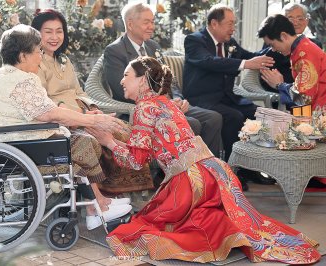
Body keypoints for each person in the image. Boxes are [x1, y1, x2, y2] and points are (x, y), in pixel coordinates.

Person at [87, 56, 320, 264]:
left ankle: (225, 233)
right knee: (224, 220)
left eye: (126, 75)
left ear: (143, 81)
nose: (121, 81)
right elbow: (145, 142)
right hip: (215, 172)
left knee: (145, 227)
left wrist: (108, 141)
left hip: (190, 183)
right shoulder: (164, 102)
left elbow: (137, 161)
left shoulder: (144, 109)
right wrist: (112, 128)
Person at [0, 24, 132, 230]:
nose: (41, 57)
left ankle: (96, 205)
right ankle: (96, 207)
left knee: (83, 139)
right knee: (83, 142)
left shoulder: (13, 77)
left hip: (21, 141)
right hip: (19, 146)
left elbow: (48, 110)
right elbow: (49, 113)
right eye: (37, 52)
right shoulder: (20, 81)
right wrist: (92, 121)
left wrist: (85, 117)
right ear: (23, 56)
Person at [31, 9, 154, 196]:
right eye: (48, 32)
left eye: (59, 31)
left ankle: (132, 192)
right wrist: (84, 117)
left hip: (84, 114)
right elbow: (46, 102)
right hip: (65, 120)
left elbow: (79, 91)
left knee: (127, 130)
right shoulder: (35, 62)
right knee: (111, 135)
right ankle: (108, 194)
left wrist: (94, 109)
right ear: (36, 33)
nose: (54, 37)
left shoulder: (64, 60)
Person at [103, 2, 223, 158]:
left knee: (213, 118)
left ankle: (207, 167)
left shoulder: (153, 46)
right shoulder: (115, 51)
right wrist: (163, 105)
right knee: (192, 123)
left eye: (153, 21)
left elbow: (169, 79)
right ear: (130, 24)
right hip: (144, 109)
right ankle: (177, 170)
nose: (152, 26)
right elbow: (121, 90)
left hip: (169, 104)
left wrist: (178, 99)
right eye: (147, 22)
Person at [182, 4, 276, 190]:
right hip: (202, 99)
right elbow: (209, 62)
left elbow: (250, 56)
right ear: (214, 23)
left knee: (257, 113)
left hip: (226, 97)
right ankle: (229, 170)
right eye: (230, 23)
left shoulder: (229, 43)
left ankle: (249, 168)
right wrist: (246, 63)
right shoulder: (194, 40)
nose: (233, 28)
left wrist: (273, 46)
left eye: (235, 23)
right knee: (234, 116)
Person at [258, 14, 326, 109]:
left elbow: (304, 98)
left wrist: (280, 85)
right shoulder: (301, 48)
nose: (273, 50)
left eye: (272, 45)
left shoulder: (304, 53)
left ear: (283, 36)